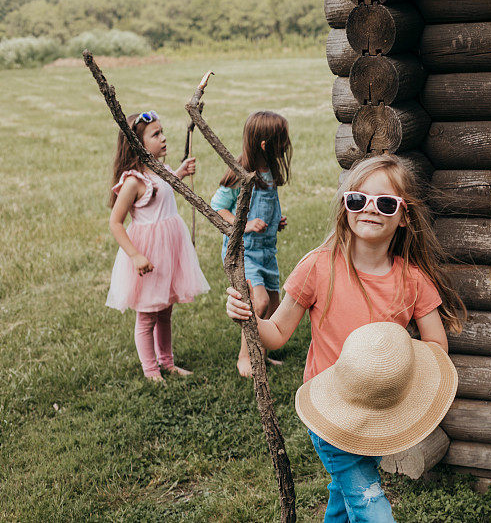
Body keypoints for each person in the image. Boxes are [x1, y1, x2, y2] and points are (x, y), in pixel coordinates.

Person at [225, 154, 466, 522]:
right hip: (331, 412)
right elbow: (276, 333)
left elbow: (436, 344)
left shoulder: (413, 279)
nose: (370, 210)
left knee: (343, 495)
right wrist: (249, 319)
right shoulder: (319, 267)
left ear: (404, 217)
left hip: (380, 410)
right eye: (358, 199)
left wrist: (396, 367)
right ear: (345, 205)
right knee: (371, 508)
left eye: (385, 203)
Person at [106, 110, 210, 382]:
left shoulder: (158, 169)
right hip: (149, 256)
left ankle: (167, 362)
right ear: (137, 144)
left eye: (163, 132)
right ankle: (151, 371)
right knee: (148, 315)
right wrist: (135, 255)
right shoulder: (133, 181)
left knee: (165, 310)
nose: (164, 138)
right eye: (156, 134)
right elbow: (115, 223)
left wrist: (179, 174)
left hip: (169, 251)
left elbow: (162, 193)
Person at [210, 111, 290, 377]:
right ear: (265, 145)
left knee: (274, 305)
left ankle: (261, 355)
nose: (286, 145)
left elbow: (266, 207)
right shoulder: (240, 173)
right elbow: (217, 207)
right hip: (245, 254)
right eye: (282, 140)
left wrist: (275, 220)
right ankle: (245, 357)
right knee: (259, 302)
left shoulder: (269, 171)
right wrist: (244, 225)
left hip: (267, 252)